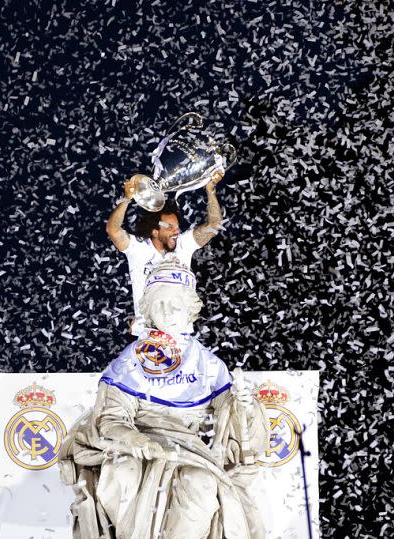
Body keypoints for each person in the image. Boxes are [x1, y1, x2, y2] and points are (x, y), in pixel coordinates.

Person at [59, 261, 268, 539]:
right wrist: (137, 442)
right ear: (148, 311)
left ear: (190, 310)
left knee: (200, 483)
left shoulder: (209, 365)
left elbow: (232, 426)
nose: (167, 312)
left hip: (190, 451)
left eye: (175, 305)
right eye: (159, 305)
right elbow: (110, 419)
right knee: (121, 474)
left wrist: (245, 405)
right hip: (138, 447)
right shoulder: (131, 360)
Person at [106, 171, 224, 335]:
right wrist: (127, 199)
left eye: (176, 227)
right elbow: (113, 230)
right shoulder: (138, 248)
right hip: (149, 335)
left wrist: (210, 189)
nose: (176, 231)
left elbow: (214, 224)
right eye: (170, 227)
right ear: (155, 232)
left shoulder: (184, 244)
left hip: (182, 335)